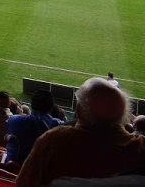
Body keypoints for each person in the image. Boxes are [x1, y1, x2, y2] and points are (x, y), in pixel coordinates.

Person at [16, 78, 145, 186]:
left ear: (78, 111)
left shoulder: (53, 141)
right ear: (123, 115)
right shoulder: (140, 147)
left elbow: (24, 183)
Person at [6, 90, 64, 165]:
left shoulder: (13, 121)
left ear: (32, 105)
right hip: (41, 173)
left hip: (11, 171)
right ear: (50, 107)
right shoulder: (59, 127)